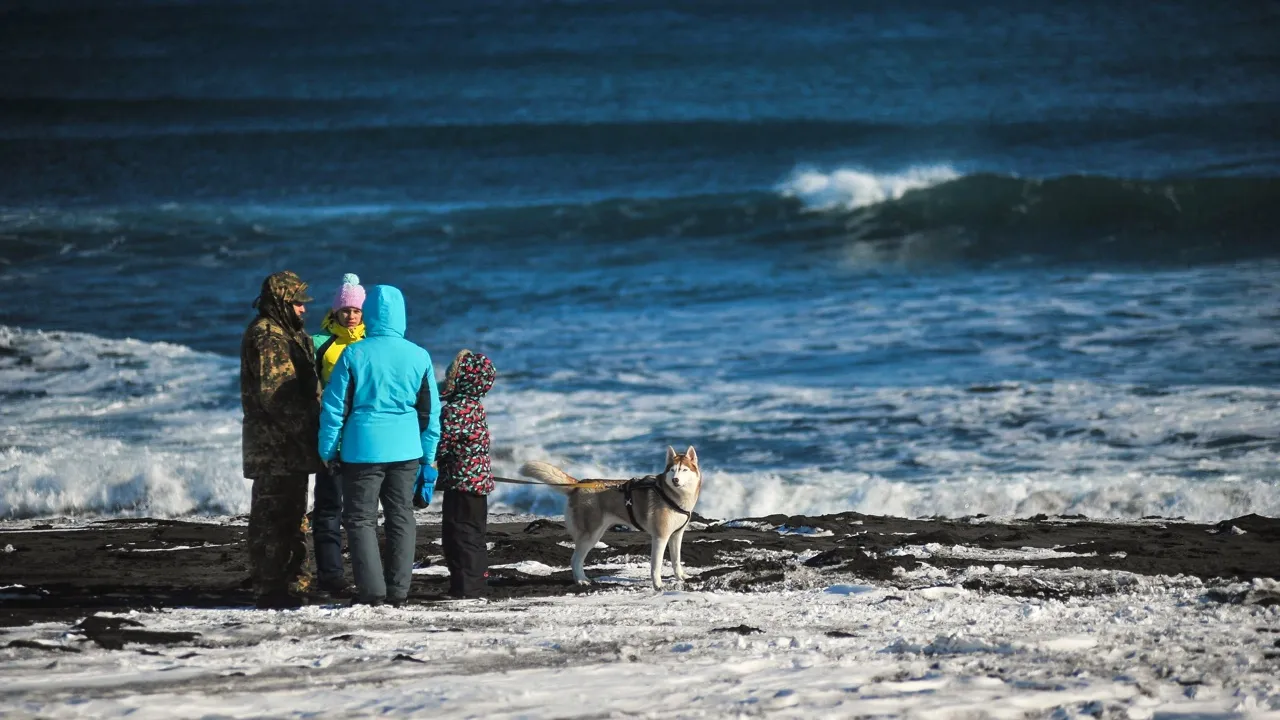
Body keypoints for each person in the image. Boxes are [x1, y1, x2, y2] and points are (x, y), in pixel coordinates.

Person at [318, 285, 440, 606]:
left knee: (360, 519)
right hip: (406, 450)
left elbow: (334, 409)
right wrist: (428, 458)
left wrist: (328, 451)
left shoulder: (354, 354)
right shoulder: (419, 355)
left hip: (362, 450)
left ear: (368, 314)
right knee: (402, 516)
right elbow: (429, 413)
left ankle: (372, 592)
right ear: (401, 315)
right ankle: (398, 591)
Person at [240, 270, 324, 609]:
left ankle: (292, 580)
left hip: (291, 446)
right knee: (272, 518)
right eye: (297, 303)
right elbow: (278, 397)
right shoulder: (268, 336)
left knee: (293, 515)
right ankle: (270, 584)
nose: (304, 309)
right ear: (280, 302)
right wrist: (315, 432)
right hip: (274, 447)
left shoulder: (290, 333)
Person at [310, 273, 367, 595]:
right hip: (330, 433)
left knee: (361, 510)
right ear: (335, 311)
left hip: (363, 436)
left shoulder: (370, 341)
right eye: (345, 309)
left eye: (356, 310)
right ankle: (331, 575)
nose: (350, 315)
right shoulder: (320, 343)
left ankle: (366, 573)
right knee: (329, 506)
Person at [435, 350, 497, 600]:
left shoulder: (456, 409)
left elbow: (441, 444)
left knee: (460, 535)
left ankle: (466, 588)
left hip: (461, 482)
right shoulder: (475, 406)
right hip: (478, 481)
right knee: (473, 534)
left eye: (452, 374)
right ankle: (475, 583)